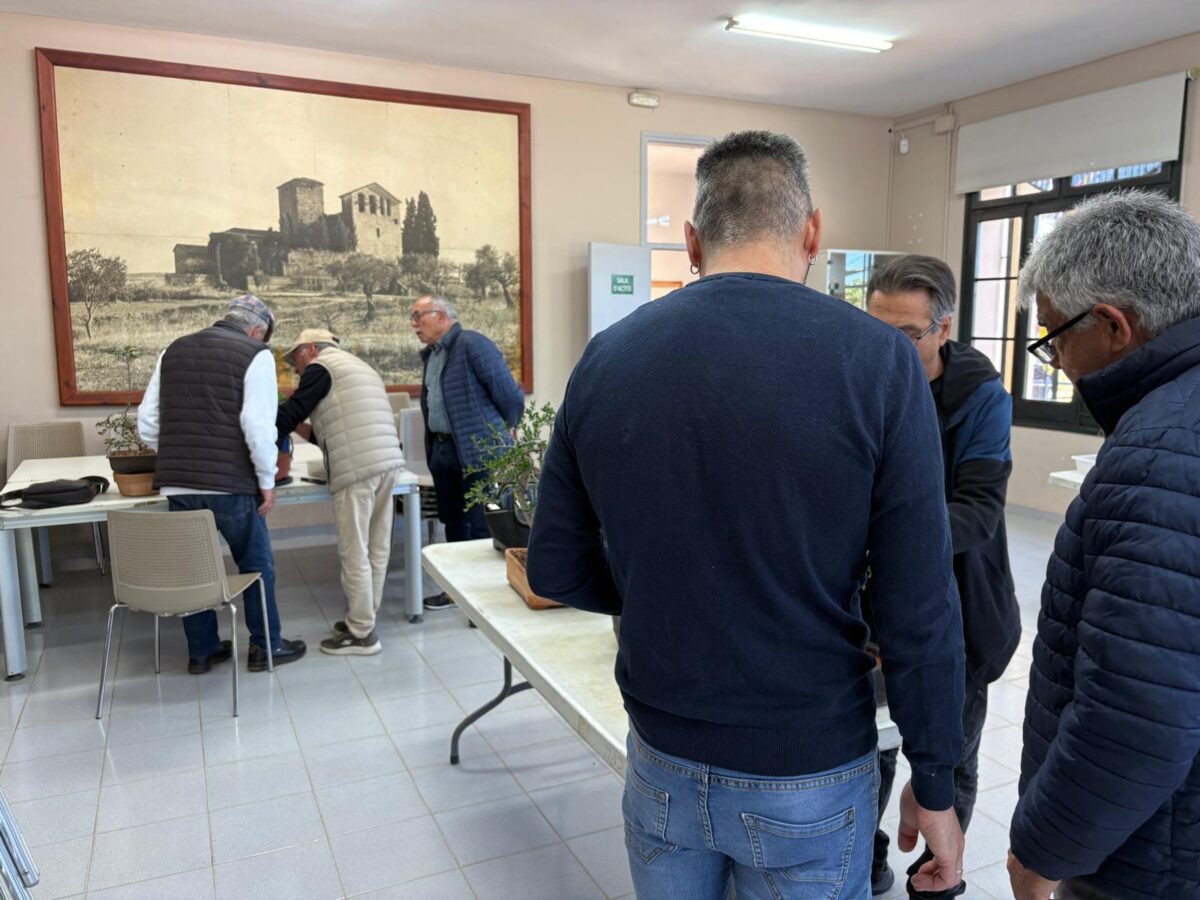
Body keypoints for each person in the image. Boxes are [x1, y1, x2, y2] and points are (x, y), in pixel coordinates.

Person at [526, 130, 967, 899]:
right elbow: (918, 602)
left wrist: (663, 591)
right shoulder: (880, 362)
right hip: (808, 762)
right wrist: (934, 782)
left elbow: (555, 567)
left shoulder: (607, 357)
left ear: (693, 242)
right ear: (813, 233)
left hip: (661, 754)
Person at [1005, 191, 1200, 900]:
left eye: (1054, 337)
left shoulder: (1158, 456)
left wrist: (1044, 850)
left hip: (1152, 854)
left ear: (1114, 326)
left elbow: (1136, 716)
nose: (1055, 359)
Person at [864, 255, 1020, 896]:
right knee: (871, 750)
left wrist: (881, 535)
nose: (889, 346)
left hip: (963, 607)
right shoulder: (861, 380)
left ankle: (937, 875)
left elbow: (977, 512)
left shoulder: (980, 398)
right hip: (873, 609)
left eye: (907, 333)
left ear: (944, 328)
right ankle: (868, 858)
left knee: (949, 759)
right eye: (877, 329)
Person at [137, 294, 306, 672]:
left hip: (179, 485)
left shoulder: (172, 351)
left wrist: (180, 454)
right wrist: (266, 480)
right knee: (256, 565)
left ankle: (202, 652)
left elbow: (147, 423)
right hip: (232, 485)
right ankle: (266, 647)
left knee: (193, 569)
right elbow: (258, 426)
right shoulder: (256, 354)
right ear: (257, 330)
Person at [276, 328, 405, 655]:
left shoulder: (320, 368)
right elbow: (329, 432)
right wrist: (294, 424)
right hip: (387, 463)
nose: (297, 370)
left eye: (295, 362)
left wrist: (267, 422)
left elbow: (291, 413)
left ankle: (361, 634)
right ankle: (365, 618)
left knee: (354, 550)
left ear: (309, 350)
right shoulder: (359, 367)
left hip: (357, 469)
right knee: (377, 546)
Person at [411, 295, 524, 608]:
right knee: (453, 522)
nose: (414, 324)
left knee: (479, 526)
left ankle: (482, 600)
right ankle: (456, 592)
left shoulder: (472, 344)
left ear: (441, 316)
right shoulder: (433, 355)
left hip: (479, 453)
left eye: (418, 315)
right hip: (443, 450)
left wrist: (509, 428)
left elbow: (509, 394)